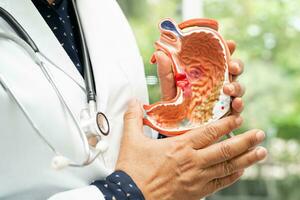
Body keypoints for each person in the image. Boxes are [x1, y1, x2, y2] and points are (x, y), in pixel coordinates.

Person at [0, 0, 267, 199]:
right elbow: (140, 185)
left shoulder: (103, 10)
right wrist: (124, 193)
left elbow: (125, 150)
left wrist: (175, 130)